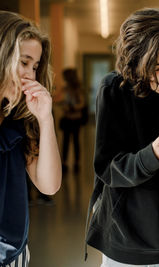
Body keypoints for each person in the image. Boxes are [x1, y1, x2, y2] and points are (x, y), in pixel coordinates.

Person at [85, 8, 159, 267]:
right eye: (155, 68)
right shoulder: (114, 89)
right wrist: (153, 156)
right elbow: (107, 168)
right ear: (135, 62)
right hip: (122, 241)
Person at [0, 11, 62, 266]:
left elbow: (49, 186)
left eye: (35, 67)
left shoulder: (20, 121)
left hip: (14, 255)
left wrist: (45, 119)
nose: (30, 75)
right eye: (24, 62)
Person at [59, 68, 85, 173]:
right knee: (65, 142)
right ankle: (64, 163)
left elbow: (82, 103)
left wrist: (72, 107)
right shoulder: (65, 89)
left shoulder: (77, 89)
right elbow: (62, 100)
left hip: (75, 119)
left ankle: (76, 163)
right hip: (67, 119)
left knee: (75, 142)